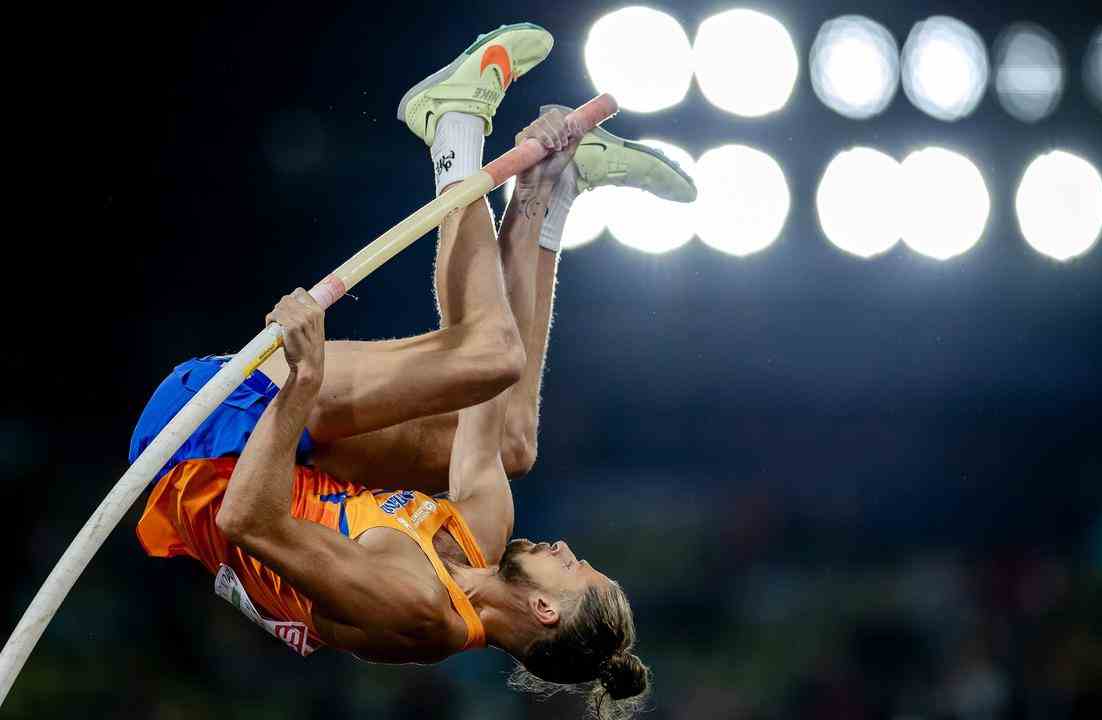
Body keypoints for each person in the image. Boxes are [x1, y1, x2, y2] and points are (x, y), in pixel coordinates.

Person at [128, 23, 695, 720]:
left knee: (488, 356)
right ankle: (557, 191)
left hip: (200, 446)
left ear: (544, 608)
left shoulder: (417, 609)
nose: (567, 548)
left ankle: (453, 121)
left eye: (574, 567)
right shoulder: (479, 538)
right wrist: (533, 182)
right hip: (283, 447)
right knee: (512, 437)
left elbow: (250, 519)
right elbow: (490, 388)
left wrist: (303, 384)